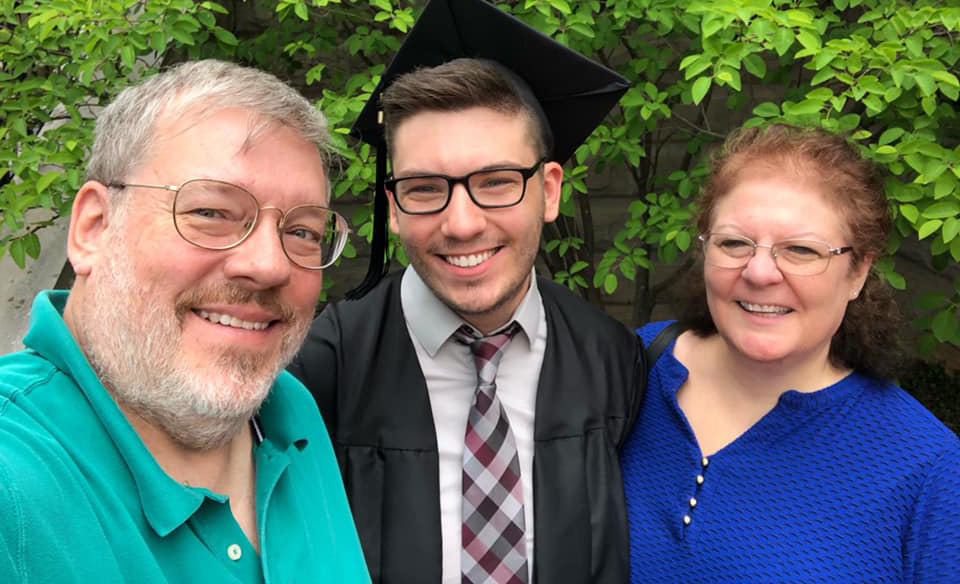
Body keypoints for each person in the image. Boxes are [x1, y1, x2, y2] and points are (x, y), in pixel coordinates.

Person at [289, 0, 641, 582]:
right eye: (425, 188)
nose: (461, 223)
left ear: (549, 191)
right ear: (393, 206)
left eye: (496, 182)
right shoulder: (318, 370)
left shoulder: (613, 362)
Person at [0, 60, 370, 583]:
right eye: (211, 213)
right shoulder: (13, 478)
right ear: (93, 228)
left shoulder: (289, 413)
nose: (269, 265)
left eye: (304, 232)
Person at [620, 123, 960, 582]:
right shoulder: (633, 368)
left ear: (858, 271)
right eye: (734, 243)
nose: (760, 272)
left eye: (801, 250)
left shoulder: (925, 470)